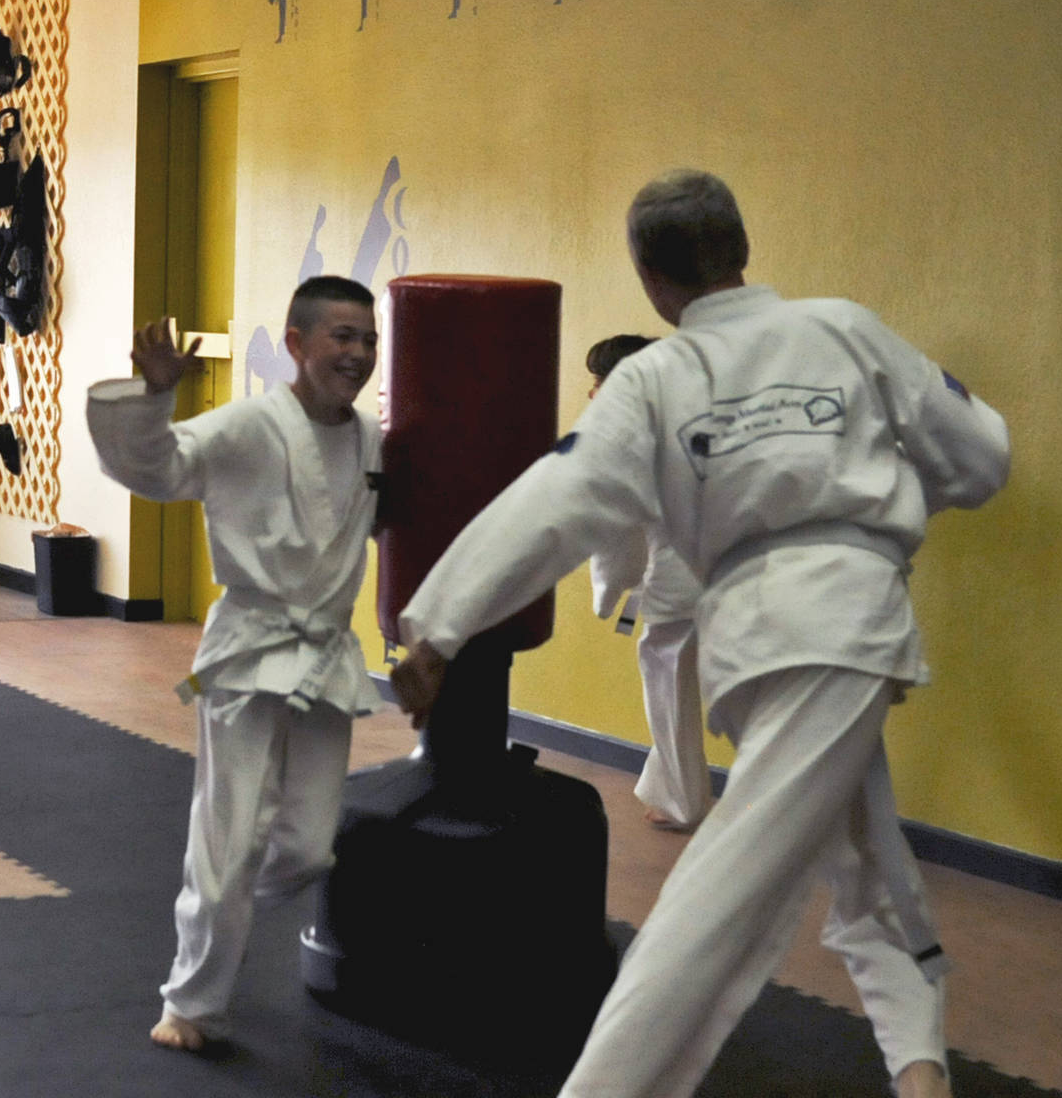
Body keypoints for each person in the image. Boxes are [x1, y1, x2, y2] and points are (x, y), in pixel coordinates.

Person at [391, 170, 1008, 1098]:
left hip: (764, 642)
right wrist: (885, 508)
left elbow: (555, 501)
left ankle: (918, 1071)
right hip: (846, 622)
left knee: (773, 880)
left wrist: (436, 629)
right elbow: (982, 456)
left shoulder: (654, 376)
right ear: (743, 244)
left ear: (649, 276)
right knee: (786, 869)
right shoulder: (844, 326)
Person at [87, 276, 385, 1053]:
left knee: (307, 845)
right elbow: (158, 468)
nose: (357, 353)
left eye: (368, 338)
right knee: (228, 838)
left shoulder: (371, 440)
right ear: (296, 343)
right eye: (341, 337)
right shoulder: (252, 425)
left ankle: (219, 917)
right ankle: (192, 1001)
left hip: (324, 653)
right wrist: (155, 397)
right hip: (250, 648)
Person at [585, 333, 713, 833]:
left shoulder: (631, 436)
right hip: (741, 571)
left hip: (681, 582)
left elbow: (615, 532)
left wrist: (608, 593)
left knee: (669, 689)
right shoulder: (698, 419)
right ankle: (668, 789)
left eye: (599, 381)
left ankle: (682, 802)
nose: (592, 393)